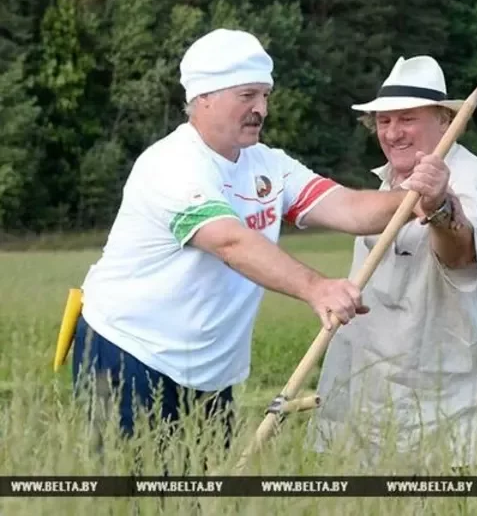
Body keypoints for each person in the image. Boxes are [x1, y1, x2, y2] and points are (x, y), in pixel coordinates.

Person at [70, 29, 451, 451]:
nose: (262, 109)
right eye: (248, 95)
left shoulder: (267, 164)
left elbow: (349, 208)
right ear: (204, 97)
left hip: (211, 369)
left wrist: (419, 198)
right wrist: (317, 288)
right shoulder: (171, 165)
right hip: (131, 350)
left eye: (265, 95)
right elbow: (230, 243)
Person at [308, 55, 477, 472]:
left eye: (407, 119)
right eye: (383, 121)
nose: (392, 132)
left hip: (469, 401)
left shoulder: (474, 182)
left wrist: (439, 207)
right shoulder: (389, 183)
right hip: (389, 396)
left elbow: (461, 253)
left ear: (445, 120)